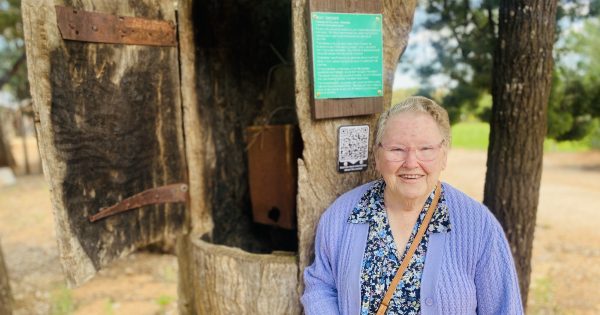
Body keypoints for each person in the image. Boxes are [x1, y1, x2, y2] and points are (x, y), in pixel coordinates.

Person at [301, 96, 523, 314]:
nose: (411, 163)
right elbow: (321, 285)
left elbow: (504, 308)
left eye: (425, 149)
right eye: (397, 149)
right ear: (377, 156)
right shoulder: (342, 215)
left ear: (443, 155)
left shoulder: (478, 226)